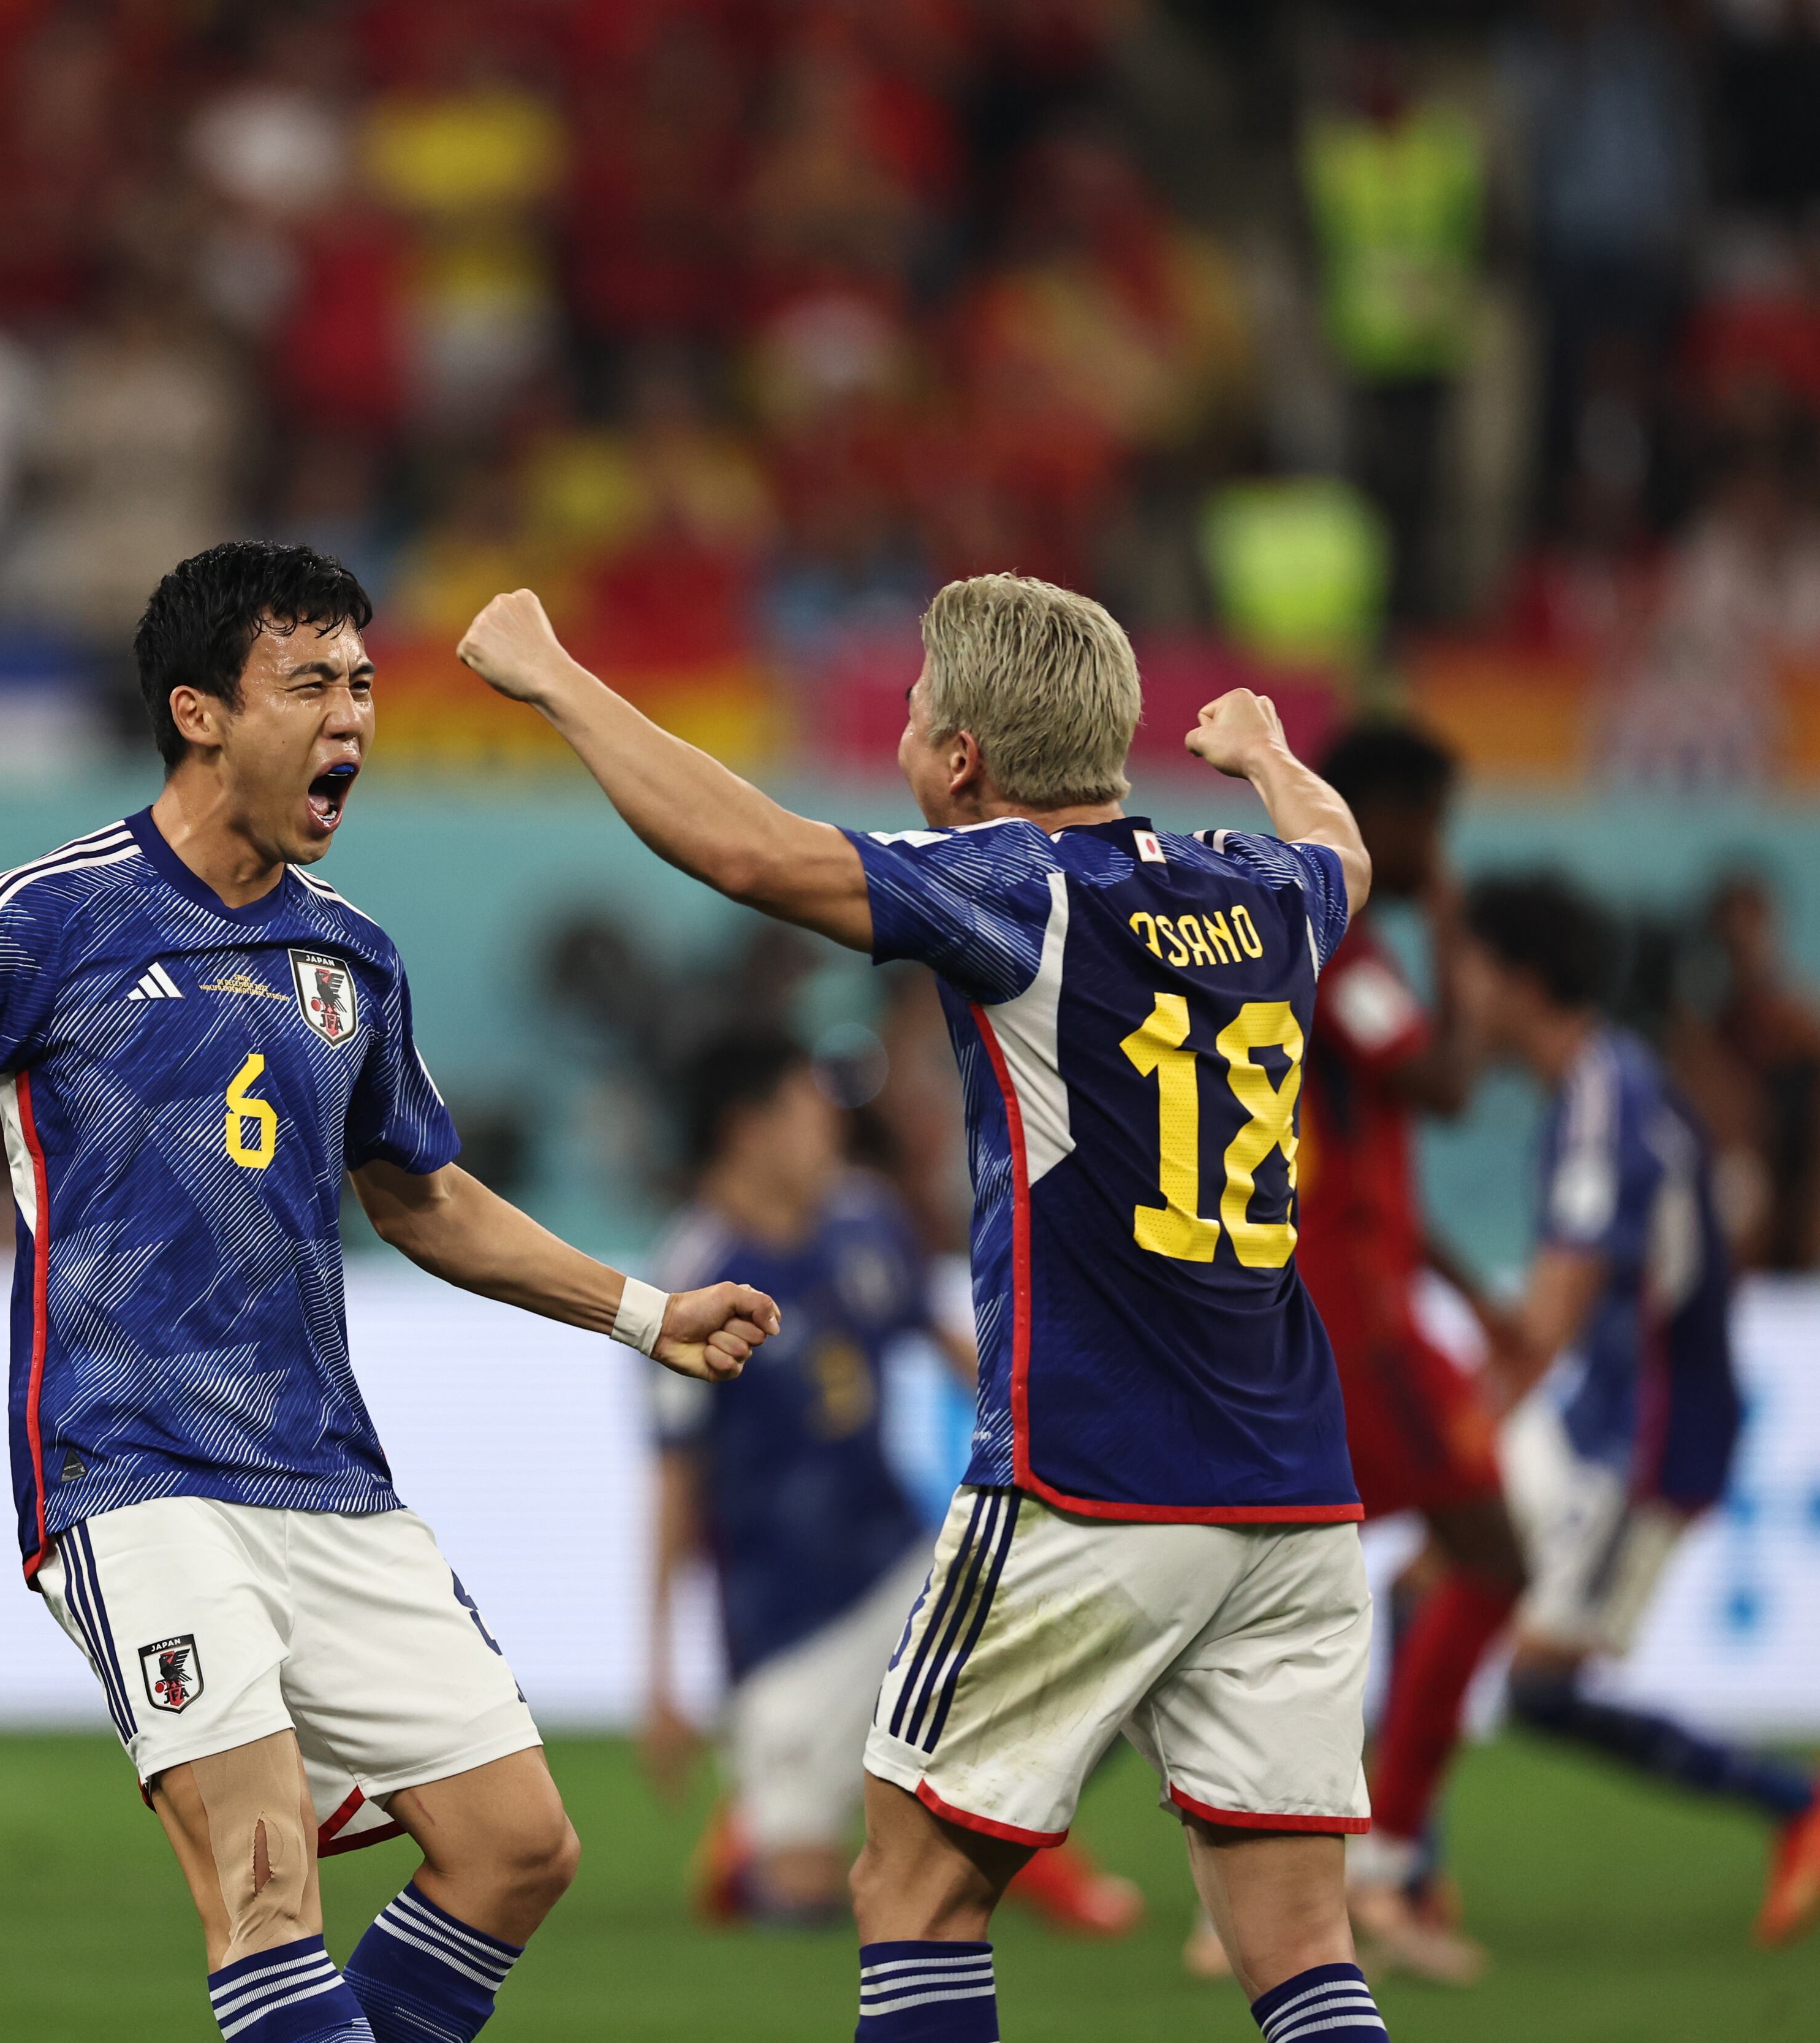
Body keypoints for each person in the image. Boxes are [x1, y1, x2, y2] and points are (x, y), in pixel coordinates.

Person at [0, 539, 778, 2043]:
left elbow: (425, 1198)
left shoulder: (350, 956)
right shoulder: (49, 915)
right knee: (265, 1890)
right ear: (199, 712)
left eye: (364, 685)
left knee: (518, 1850)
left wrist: (647, 1310)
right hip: (133, 1478)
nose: (354, 721)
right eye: (311, 683)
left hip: (327, 1478)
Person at [458, 573, 1395, 2043]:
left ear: (959, 759)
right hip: (1292, 1502)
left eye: (909, 710)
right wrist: (1269, 755)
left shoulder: (1019, 892)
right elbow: (1340, 850)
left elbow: (749, 853)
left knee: (910, 1893)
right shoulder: (1258, 888)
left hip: (1090, 1482)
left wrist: (556, 678)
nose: (900, 729)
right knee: (1298, 1944)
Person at [644, 1031, 1142, 1940]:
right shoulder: (692, 1278)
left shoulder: (864, 1222)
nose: (830, 1120)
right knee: (798, 1902)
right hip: (785, 1626)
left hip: (905, 1565)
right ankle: (759, 1831)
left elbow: (943, 1343)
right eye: (806, 1102)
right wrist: (661, 1673)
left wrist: (1055, 1441)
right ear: (746, 1128)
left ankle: (1009, 1843)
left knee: (1102, 1633)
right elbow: (677, 1481)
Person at [1458, 872, 1820, 1947]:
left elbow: (1563, 1304)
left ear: (1520, 980)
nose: (1458, 993)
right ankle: (1396, 1868)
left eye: (1470, 968)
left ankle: (1792, 1801)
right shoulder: (1609, 1081)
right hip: (1608, 1412)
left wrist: (1473, 1415)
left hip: (1647, 1434)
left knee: (1537, 1689)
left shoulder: (1606, 1097)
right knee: (1446, 1570)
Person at [1288, 721, 1520, 1984]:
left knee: (1262, 1572)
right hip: (1350, 1313)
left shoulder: (1320, 944)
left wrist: (1471, 1293)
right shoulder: (1346, 951)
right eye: (1432, 823)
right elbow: (1441, 1087)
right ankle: (1375, 1866)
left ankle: (1320, 1869)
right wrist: (1461, 950)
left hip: (1366, 1292)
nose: (1442, 850)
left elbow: (1375, 1163)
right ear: (1378, 814)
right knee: (1490, 1550)